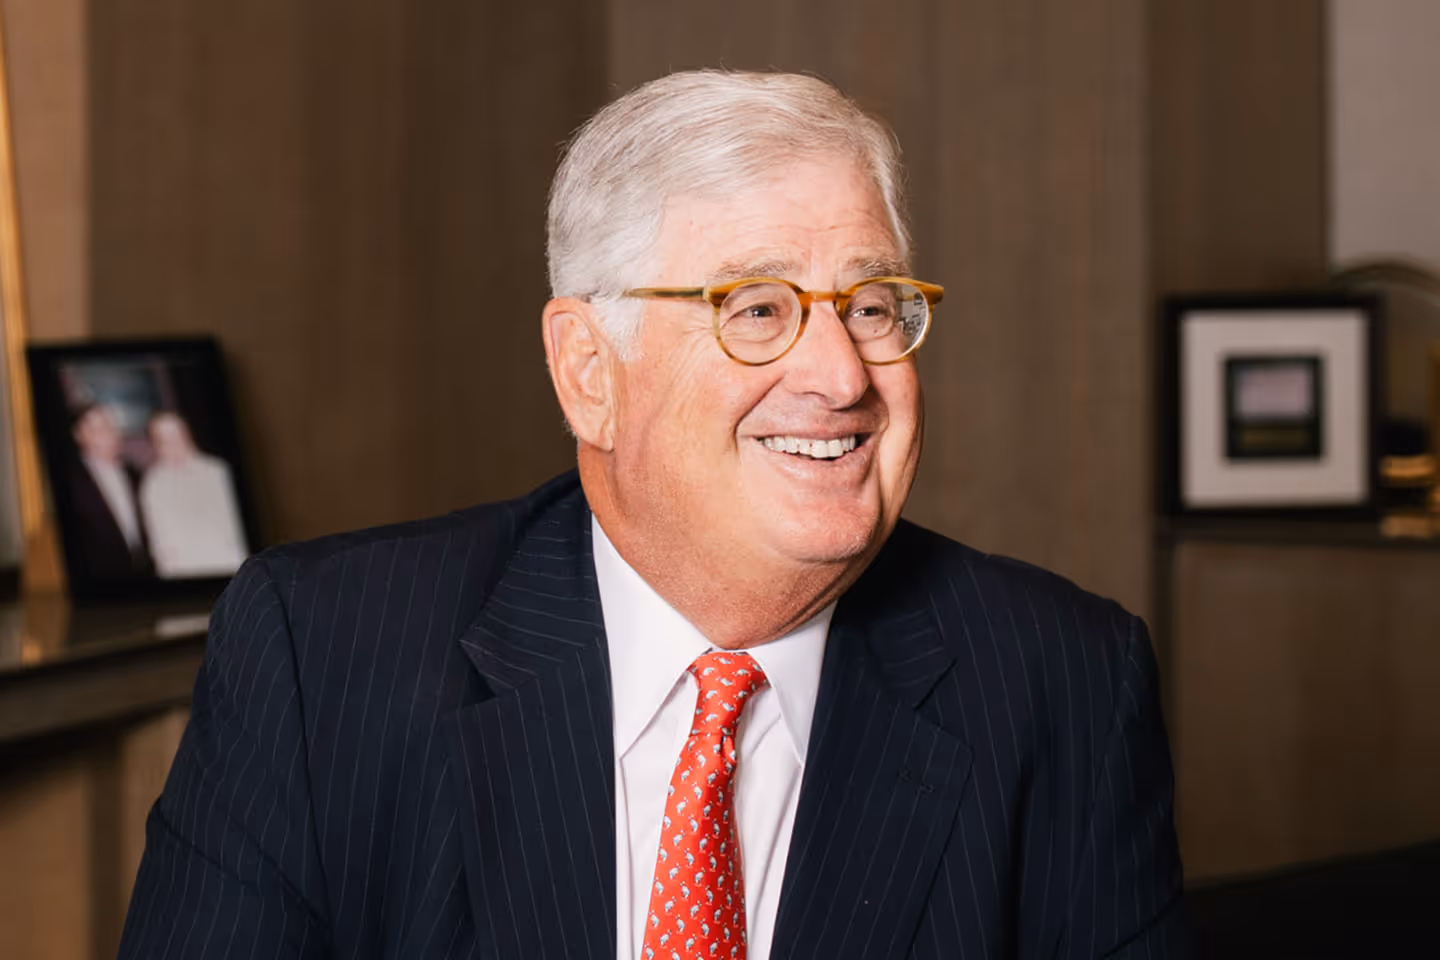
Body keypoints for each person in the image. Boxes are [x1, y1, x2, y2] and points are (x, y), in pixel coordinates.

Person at [119, 70, 1188, 959]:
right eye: (757, 308)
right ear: (590, 371)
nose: (841, 373)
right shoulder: (322, 655)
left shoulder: (1063, 681)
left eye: (870, 306)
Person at [139, 411, 249, 578]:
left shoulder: (218, 471)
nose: (173, 444)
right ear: (155, 444)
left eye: (177, 435)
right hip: (185, 572)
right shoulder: (152, 484)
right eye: (163, 439)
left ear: (187, 434)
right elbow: (160, 543)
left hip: (231, 565)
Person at [64, 402, 153, 585]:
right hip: (104, 583)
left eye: (111, 426)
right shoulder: (72, 482)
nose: (111, 433)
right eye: (101, 428)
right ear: (79, 435)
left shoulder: (135, 473)